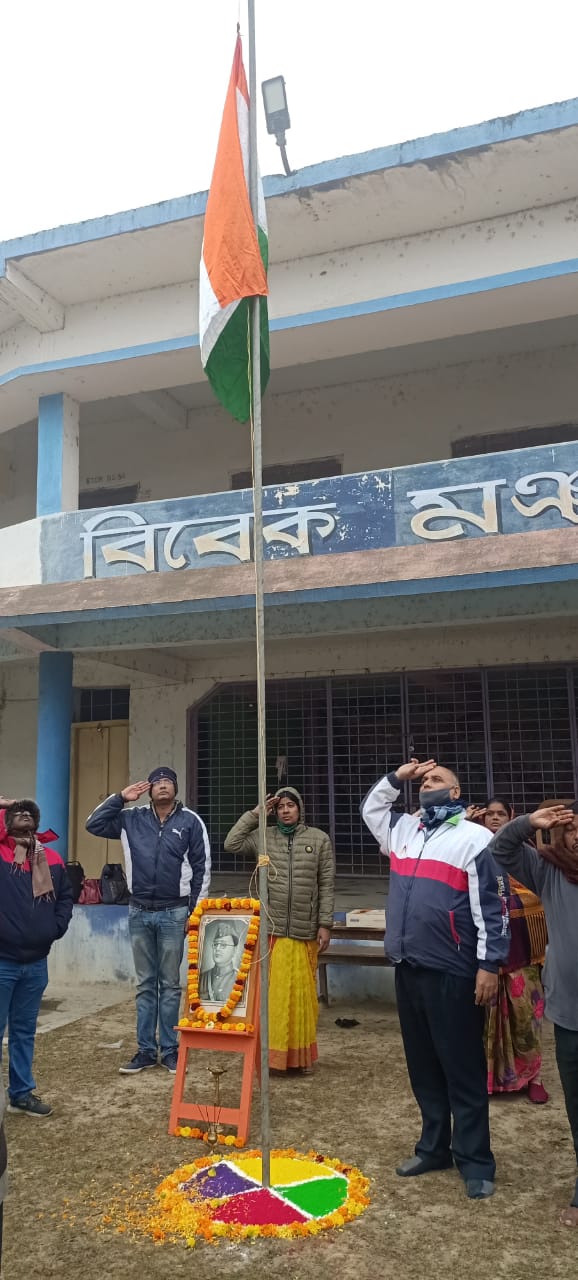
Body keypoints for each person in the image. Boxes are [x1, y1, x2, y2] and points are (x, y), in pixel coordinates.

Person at [362, 758, 510, 1200]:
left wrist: (489, 965)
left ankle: (476, 1160)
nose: (428, 783)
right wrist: (397, 778)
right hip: (409, 967)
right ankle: (433, 1148)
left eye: (437, 778)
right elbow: (372, 810)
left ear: (456, 792)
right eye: (424, 779)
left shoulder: (476, 838)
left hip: (454, 970)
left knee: (462, 1068)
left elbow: (494, 909)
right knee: (423, 1067)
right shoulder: (404, 830)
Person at [486, 800, 578, 1227]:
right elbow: (501, 850)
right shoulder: (550, 870)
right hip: (570, 1013)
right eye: (571, 829)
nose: (577, 836)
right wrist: (527, 823)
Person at [86, 766, 211, 1075]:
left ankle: (169, 1050)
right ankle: (145, 1050)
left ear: (176, 788)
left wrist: (194, 912)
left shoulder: (190, 821)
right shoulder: (131, 819)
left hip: (174, 912)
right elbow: (93, 824)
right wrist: (120, 798)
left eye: (168, 781)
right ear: (149, 790)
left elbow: (202, 868)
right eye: (157, 782)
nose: (163, 786)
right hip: (139, 911)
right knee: (145, 984)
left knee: (169, 984)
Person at [224, 787, 335, 1074]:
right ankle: (270, 1058)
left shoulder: (319, 839)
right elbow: (231, 843)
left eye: (290, 805)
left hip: (303, 931)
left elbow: (326, 885)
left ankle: (299, 1059)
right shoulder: (264, 837)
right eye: (281, 807)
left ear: (300, 809)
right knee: (272, 999)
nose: (285, 811)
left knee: (299, 1000)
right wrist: (256, 814)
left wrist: (325, 924)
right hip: (270, 932)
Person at [470, 798, 548, 1104]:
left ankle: (534, 1077)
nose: (494, 818)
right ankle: (490, 1080)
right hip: (485, 955)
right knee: (487, 1019)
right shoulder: (474, 849)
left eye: (501, 814)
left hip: (524, 953)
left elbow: (539, 895)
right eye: (489, 814)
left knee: (527, 1016)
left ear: (511, 817)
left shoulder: (524, 855)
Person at [0, 799, 73, 1117]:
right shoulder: (2, 854)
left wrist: (55, 928)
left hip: (36, 963)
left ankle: (21, 1094)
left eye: (29, 812)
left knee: (23, 1032)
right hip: (2, 961)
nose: (24, 815)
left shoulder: (51, 858)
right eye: (17, 813)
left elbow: (66, 897)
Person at [199, 922, 241, 1004]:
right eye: (215, 944)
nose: (217, 948)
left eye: (223, 945)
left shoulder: (240, 979)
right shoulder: (202, 978)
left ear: (234, 950)